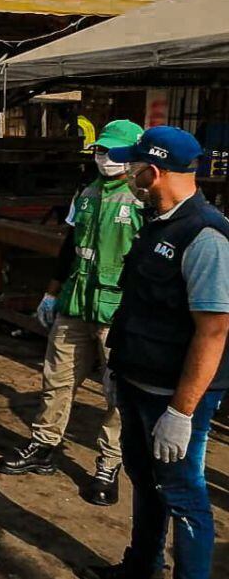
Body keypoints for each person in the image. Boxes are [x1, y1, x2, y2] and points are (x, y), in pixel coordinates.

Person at [88, 126, 229, 579]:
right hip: (137, 382)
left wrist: (182, 411)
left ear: (152, 171)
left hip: (174, 396)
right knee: (146, 484)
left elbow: (214, 331)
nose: (127, 174)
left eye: (133, 167)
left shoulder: (206, 236)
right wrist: (119, 369)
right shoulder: (158, 224)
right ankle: (142, 566)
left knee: (183, 494)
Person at [0, 120, 144, 506]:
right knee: (56, 379)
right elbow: (69, 246)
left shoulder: (141, 198)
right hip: (75, 303)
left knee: (117, 394)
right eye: (100, 151)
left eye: (113, 152)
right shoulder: (88, 193)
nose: (104, 158)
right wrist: (51, 293)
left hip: (118, 311)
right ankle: (44, 445)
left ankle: (108, 465)